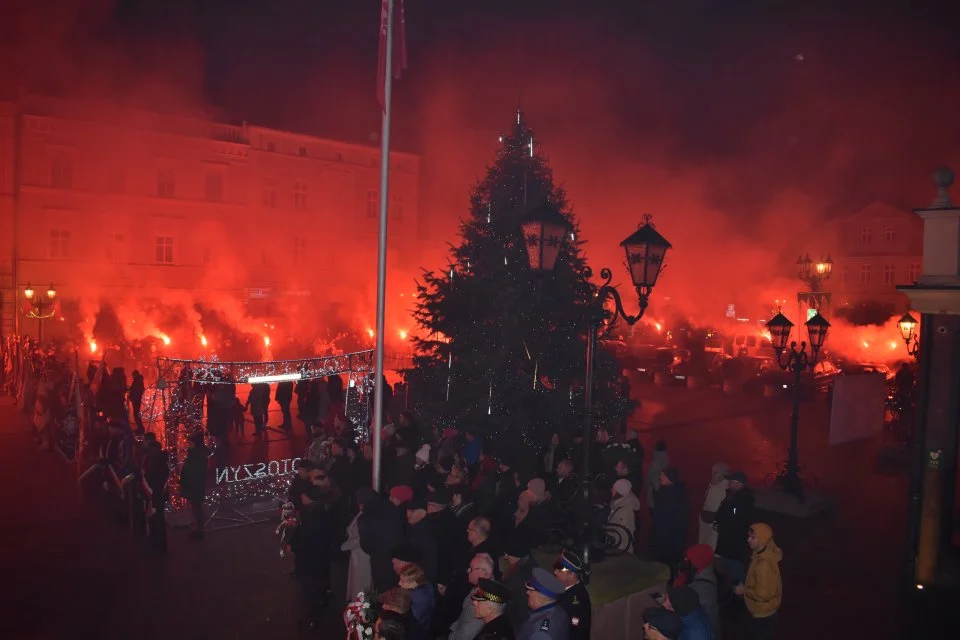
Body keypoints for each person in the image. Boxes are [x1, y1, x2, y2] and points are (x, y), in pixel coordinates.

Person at [734, 523, 782, 639]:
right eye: (749, 536)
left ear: (763, 540)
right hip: (765, 611)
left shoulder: (763, 564)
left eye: (753, 537)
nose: (748, 539)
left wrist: (743, 590)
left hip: (763, 614)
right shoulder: (761, 553)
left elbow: (763, 594)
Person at [714, 471, 754, 588]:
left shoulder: (742, 500)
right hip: (728, 540)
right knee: (728, 566)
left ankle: (740, 593)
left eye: (731, 482)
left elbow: (733, 516)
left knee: (735, 568)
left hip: (734, 542)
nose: (728, 484)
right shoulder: (733, 497)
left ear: (739, 484)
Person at [675, 544, 720, 638]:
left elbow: (682, 611)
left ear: (698, 561)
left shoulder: (702, 587)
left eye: (689, 558)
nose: (685, 560)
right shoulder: (703, 572)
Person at [651, 467, 689, 576]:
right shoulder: (676, 494)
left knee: (667, 565)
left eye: (663, 475)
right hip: (669, 538)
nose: (660, 477)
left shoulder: (669, 496)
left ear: (670, 478)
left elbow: (669, 518)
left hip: (669, 538)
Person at [449, 552, 495, 640]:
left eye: (471, 569)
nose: (468, 571)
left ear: (485, 573)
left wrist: (450, 636)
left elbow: (465, 636)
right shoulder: (479, 587)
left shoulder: (483, 602)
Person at [519, 568, 569, 639]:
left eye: (531, 591)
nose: (527, 592)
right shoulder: (558, 610)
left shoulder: (541, 633)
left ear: (542, 598)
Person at [343, 487, 375, 598]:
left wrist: (344, 546)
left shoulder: (367, 516)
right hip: (357, 554)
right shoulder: (361, 513)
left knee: (362, 583)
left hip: (363, 554)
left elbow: (361, 537)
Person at [553, 549, 591, 640]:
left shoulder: (575, 601)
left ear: (572, 575)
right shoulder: (565, 586)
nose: (555, 572)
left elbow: (576, 627)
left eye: (560, 570)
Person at [179, 431, 209, 540]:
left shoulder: (195, 454)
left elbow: (189, 469)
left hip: (194, 483)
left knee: (196, 507)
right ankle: (199, 528)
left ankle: (199, 530)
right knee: (197, 507)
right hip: (198, 482)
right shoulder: (201, 452)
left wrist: (184, 481)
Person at [399, 564, 436, 640]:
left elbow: (414, 627)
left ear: (414, 583)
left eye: (403, 581)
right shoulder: (426, 588)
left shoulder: (417, 600)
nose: (399, 583)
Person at [699, 463, 728, 550]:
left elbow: (723, 506)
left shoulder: (725, 488)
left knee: (711, 545)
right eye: (712, 472)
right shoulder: (712, 484)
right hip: (705, 517)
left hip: (714, 520)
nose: (713, 474)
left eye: (716, 472)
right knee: (702, 541)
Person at [608, 478, 641, 553]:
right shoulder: (618, 503)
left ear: (620, 492)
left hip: (620, 553)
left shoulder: (624, 511)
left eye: (614, 489)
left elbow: (624, 537)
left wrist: (618, 553)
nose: (611, 490)